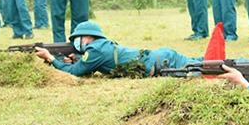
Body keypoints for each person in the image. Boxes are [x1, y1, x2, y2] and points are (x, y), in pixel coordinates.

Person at [34, 21, 204, 77]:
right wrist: (76, 60)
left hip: (165, 63)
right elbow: (84, 67)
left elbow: (75, 73)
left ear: (87, 37)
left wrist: (50, 58)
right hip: (162, 58)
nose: (77, 43)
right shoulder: (98, 48)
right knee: (204, 62)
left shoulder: (95, 51)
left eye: (78, 39)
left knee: (207, 68)